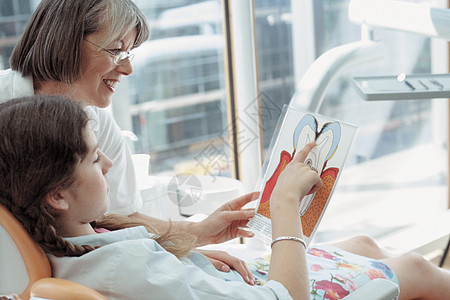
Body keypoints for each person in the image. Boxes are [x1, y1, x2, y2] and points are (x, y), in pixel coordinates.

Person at [1, 96, 449, 300]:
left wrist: (195, 238)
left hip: (233, 283)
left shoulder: (65, 237)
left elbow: (132, 260)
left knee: (365, 244)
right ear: (58, 194)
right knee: (414, 268)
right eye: (95, 159)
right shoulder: (125, 270)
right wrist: (286, 205)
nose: (109, 166)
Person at [0, 0, 258, 277]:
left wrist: (191, 238)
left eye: (129, 53)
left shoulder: (96, 123)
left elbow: (115, 220)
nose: (127, 69)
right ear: (66, 44)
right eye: (115, 50)